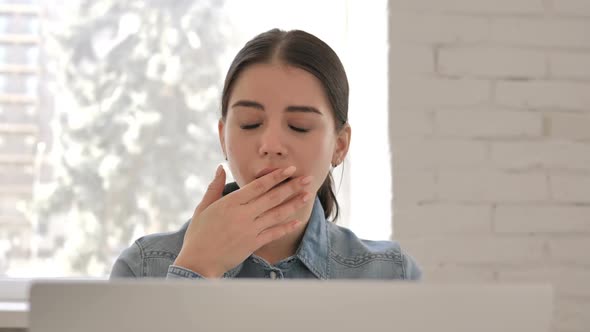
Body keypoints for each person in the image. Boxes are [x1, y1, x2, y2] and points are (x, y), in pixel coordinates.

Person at [110, 28, 421, 280]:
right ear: (223, 137)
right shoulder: (143, 269)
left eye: (299, 126)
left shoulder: (392, 275)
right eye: (250, 124)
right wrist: (195, 270)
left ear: (339, 145)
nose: (271, 144)